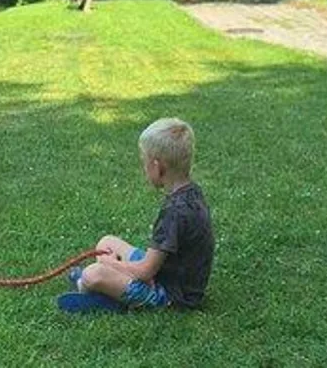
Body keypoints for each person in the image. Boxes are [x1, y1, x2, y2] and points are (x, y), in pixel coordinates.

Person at [57, 118, 215, 313]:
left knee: (92, 273)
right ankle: (110, 286)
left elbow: (145, 271)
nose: (144, 169)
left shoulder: (175, 213)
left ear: (158, 167)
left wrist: (111, 265)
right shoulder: (192, 192)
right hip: (169, 275)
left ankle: (102, 295)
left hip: (171, 296)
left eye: (145, 163)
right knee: (107, 242)